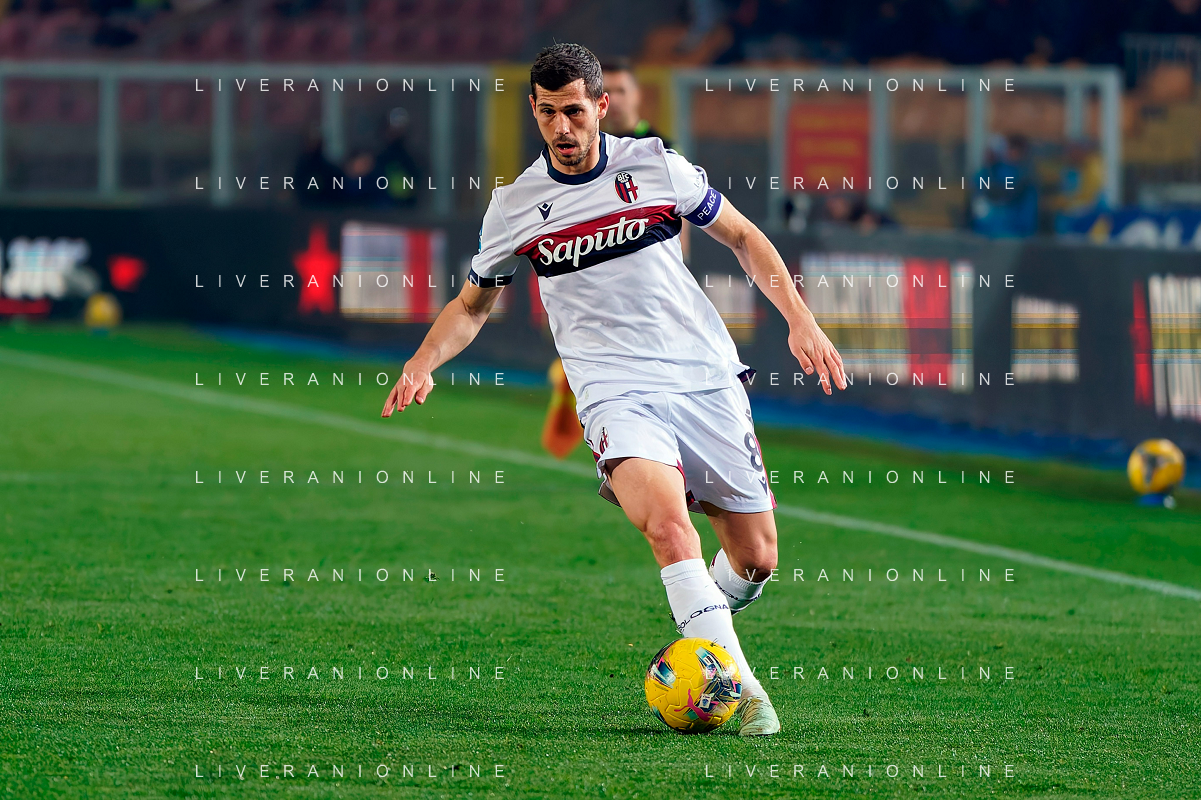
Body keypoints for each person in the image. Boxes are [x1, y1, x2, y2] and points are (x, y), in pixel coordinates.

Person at [381, 43, 847, 737]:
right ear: (533, 112)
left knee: (756, 559)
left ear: (601, 106)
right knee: (667, 528)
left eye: (573, 111)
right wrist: (424, 361)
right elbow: (472, 306)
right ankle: (741, 689)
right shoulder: (515, 206)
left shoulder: (656, 165)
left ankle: (700, 622)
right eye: (547, 113)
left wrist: (799, 319)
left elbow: (744, 238)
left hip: (702, 377)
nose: (561, 127)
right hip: (612, 390)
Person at [600, 59, 671, 148]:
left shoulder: (661, 148)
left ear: (637, 94)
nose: (613, 100)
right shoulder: (591, 146)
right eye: (606, 92)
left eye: (621, 91)